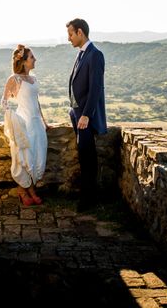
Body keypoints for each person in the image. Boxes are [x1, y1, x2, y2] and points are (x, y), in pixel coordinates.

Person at [66, 18, 107, 211]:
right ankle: (88, 196)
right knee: (83, 154)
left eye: (71, 34)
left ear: (80, 32)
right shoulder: (82, 54)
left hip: (85, 116)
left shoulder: (95, 55)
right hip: (76, 113)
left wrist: (86, 115)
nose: (69, 38)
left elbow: (96, 88)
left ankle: (89, 199)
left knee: (87, 156)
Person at [1, 44, 49, 206]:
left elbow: (36, 102)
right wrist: (12, 119)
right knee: (25, 157)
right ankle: (25, 191)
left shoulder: (34, 79)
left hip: (36, 123)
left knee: (37, 156)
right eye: (32, 57)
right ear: (24, 61)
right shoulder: (14, 79)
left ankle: (29, 190)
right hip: (24, 123)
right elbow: (4, 101)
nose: (35, 59)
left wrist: (44, 121)